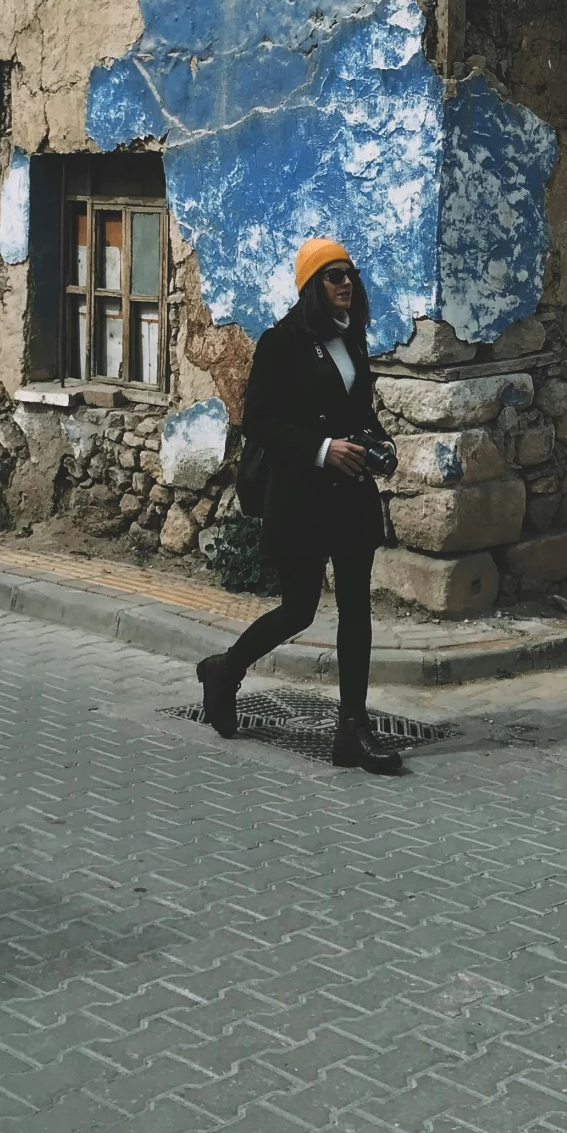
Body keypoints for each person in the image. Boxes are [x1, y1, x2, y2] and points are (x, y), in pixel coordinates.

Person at [197, 238, 403, 774]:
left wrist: (379, 443)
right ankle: (225, 670)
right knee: (299, 609)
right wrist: (321, 450)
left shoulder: (349, 337)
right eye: (333, 276)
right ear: (312, 285)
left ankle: (352, 731)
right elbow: (259, 422)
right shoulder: (280, 342)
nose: (345, 284)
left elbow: (355, 410)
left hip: (352, 493)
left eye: (349, 275)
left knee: (357, 610)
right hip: (303, 497)